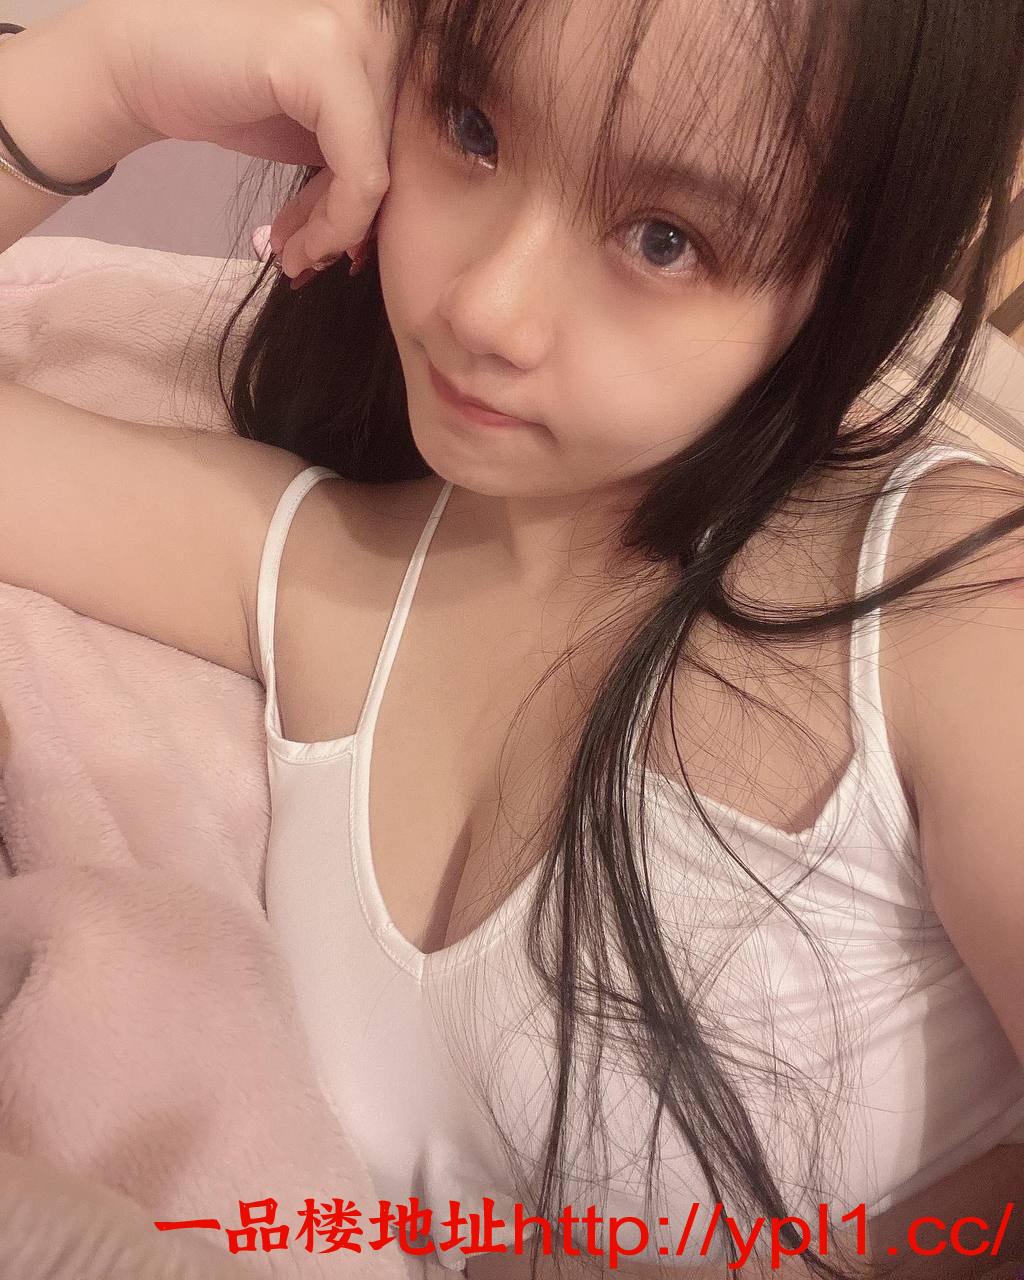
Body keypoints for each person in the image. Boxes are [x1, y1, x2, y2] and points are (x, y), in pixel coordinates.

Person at [0, 0, 1023, 1276]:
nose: (486, 305)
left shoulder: (953, 605)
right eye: (472, 125)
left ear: (844, 274)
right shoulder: (325, 568)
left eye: (664, 238)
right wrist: (106, 72)